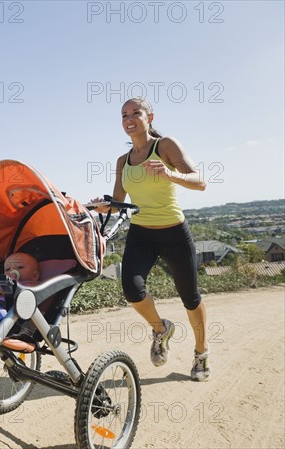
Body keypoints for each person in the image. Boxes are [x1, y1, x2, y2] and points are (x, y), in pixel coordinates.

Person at [93, 97, 211, 381]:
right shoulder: (123, 161)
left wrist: (170, 174)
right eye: (124, 115)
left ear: (150, 117)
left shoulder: (165, 145)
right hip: (141, 233)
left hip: (174, 232)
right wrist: (104, 205)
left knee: (190, 298)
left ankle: (201, 352)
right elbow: (119, 201)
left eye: (136, 113)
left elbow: (201, 181)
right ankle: (160, 329)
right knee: (132, 290)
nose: (129, 118)